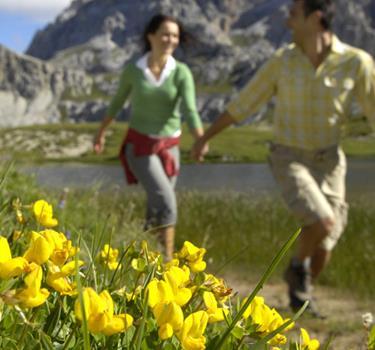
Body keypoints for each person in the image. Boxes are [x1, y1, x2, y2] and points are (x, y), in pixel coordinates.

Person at [192, 0, 375, 316]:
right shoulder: (282, 61)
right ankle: (296, 270)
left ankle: (300, 290)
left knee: (327, 240)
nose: (287, 18)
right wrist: (206, 138)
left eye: (294, 12)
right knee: (323, 221)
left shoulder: (356, 62)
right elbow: (243, 104)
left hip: (330, 160)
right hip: (288, 156)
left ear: (316, 18)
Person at [94, 14, 206, 261]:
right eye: (165, 34)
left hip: (170, 148)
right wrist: (101, 133)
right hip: (140, 146)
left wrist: (200, 138)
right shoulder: (134, 71)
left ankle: (144, 261)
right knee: (166, 201)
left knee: (157, 207)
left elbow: (189, 109)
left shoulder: (181, 72)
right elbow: (116, 104)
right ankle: (167, 263)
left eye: (175, 35)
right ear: (151, 36)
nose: (170, 39)